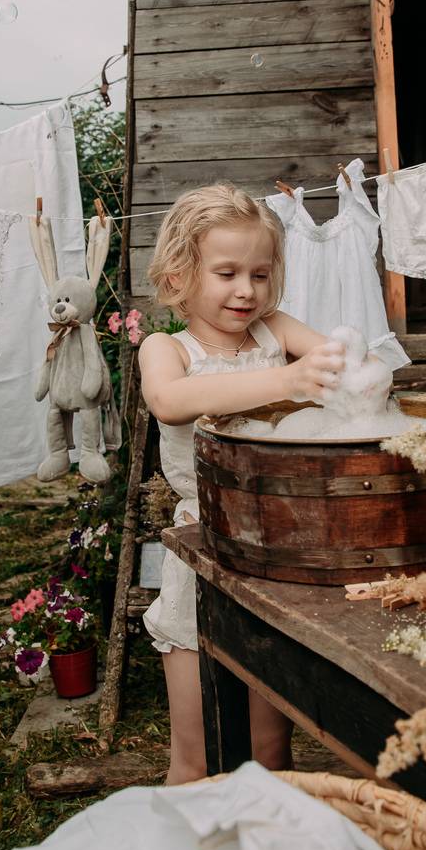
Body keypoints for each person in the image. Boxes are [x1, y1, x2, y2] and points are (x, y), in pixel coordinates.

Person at [139, 184, 345, 784]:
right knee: (199, 753)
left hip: (274, 551)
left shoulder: (275, 331)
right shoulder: (167, 350)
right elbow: (169, 401)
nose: (247, 290)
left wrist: (349, 367)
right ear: (179, 275)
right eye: (226, 273)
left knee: (270, 747)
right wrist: (289, 382)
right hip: (204, 549)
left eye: (260, 273)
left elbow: (347, 362)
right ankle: (192, 837)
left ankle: (266, 836)